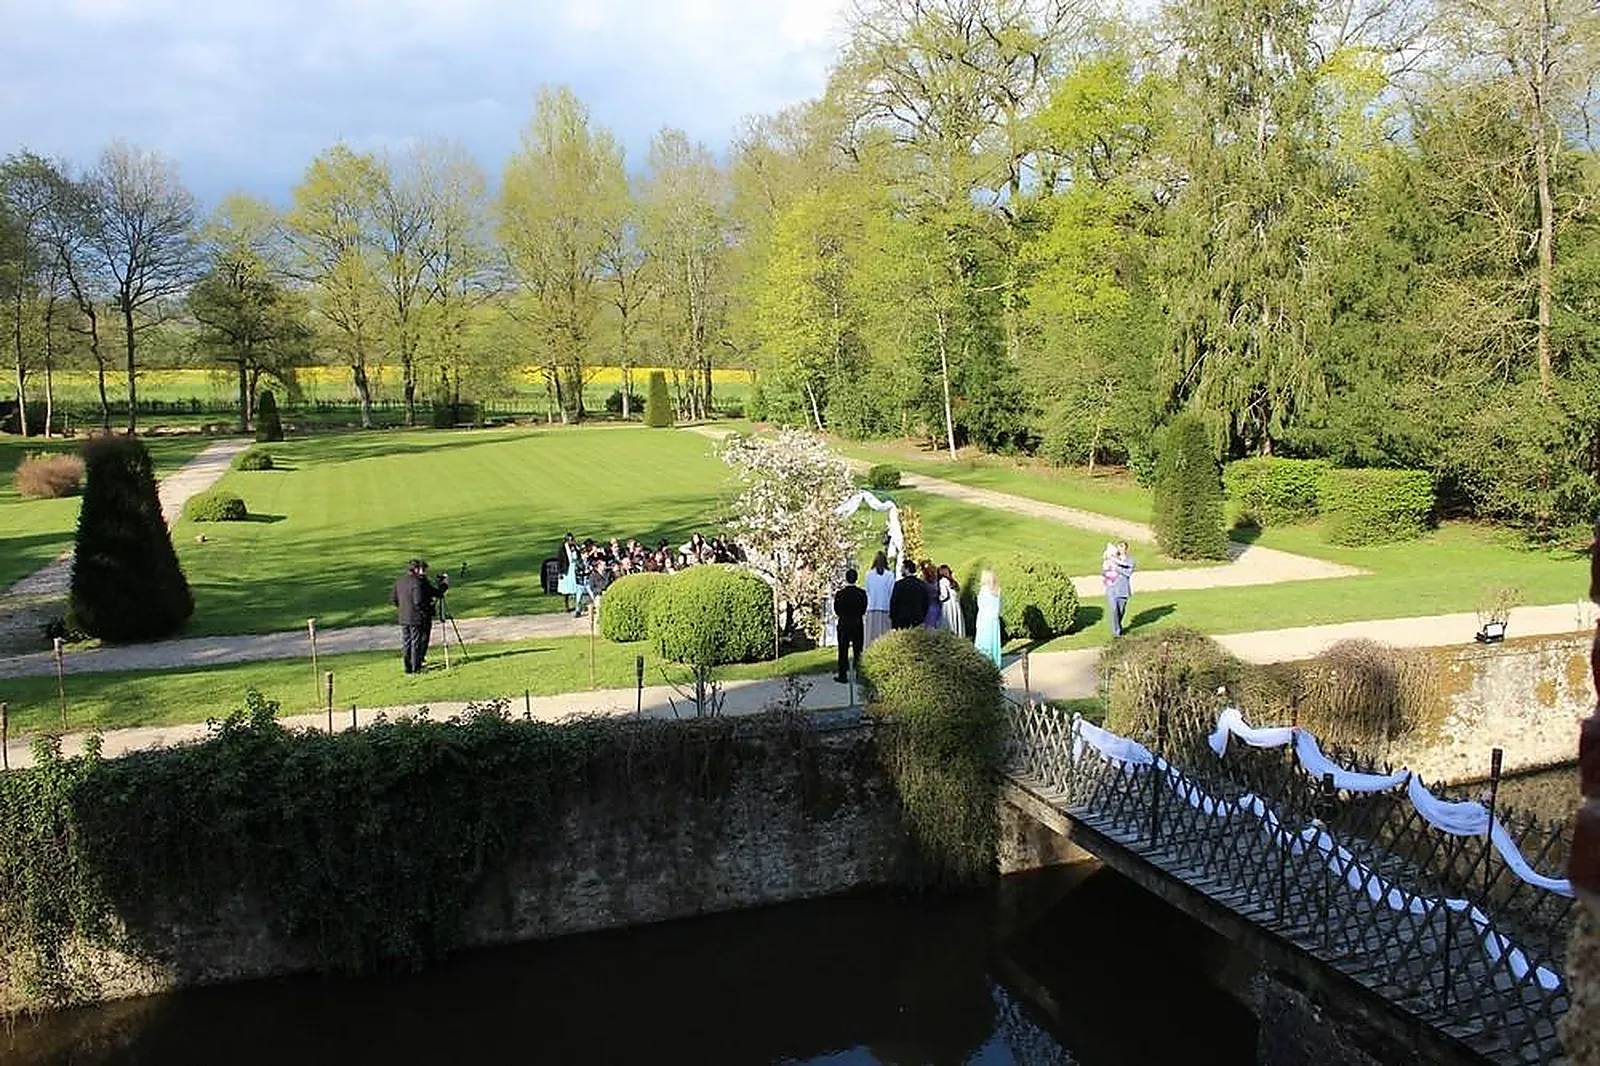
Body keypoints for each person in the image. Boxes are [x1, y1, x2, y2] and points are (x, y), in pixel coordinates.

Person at [391, 558, 446, 674]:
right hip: (416, 617)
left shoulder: (399, 580)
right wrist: (425, 610)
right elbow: (418, 601)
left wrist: (403, 609)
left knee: (406, 642)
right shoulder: (417, 582)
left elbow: (394, 599)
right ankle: (416, 667)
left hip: (403, 616)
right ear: (416, 569)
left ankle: (408, 667)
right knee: (416, 642)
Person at [833, 568, 868, 683]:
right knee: (858, 650)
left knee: (843, 650)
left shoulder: (840, 594)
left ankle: (843, 675)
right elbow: (864, 609)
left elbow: (836, 610)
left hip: (844, 624)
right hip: (857, 623)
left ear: (846, 578)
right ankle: (859, 674)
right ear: (856, 578)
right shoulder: (862, 594)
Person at [863, 551, 895, 646]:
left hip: (872, 607)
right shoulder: (890, 575)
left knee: (871, 637)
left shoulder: (869, 575)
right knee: (884, 636)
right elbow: (891, 592)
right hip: (885, 608)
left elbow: (867, 591)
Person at [889, 557, 929, 631]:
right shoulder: (921, 585)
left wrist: (893, 618)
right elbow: (926, 602)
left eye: (902, 568)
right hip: (917, 619)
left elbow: (894, 603)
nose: (901, 570)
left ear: (907, 569)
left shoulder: (899, 585)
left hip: (901, 620)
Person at [1107, 540, 1136, 638]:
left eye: (1122, 547)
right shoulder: (1112, 559)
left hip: (1123, 590)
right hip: (1112, 589)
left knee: (1120, 611)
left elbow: (1128, 573)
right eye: (1119, 547)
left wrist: (1117, 567)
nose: (1120, 549)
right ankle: (1116, 633)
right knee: (1114, 610)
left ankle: (1118, 626)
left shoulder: (1130, 560)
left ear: (1126, 548)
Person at [974, 568, 1002, 668]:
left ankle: (984, 664)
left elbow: (980, 605)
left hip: (985, 618)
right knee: (994, 641)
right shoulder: (997, 590)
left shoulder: (984, 590)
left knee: (984, 642)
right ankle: (995, 663)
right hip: (994, 619)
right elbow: (999, 605)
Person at [938, 564, 964, 637]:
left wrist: (938, 598)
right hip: (956, 605)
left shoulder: (942, 581)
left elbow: (944, 595)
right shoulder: (954, 581)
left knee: (949, 623)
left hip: (948, 605)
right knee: (956, 622)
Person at [557, 533, 580, 611]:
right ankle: (566, 605)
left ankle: (577, 605)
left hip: (574, 568)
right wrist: (560, 572)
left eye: (572, 540)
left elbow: (579, 555)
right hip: (566, 569)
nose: (571, 542)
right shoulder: (562, 549)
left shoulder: (575, 547)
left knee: (576, 588)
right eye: (569, 540)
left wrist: (576, 546)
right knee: (566, 589)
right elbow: (560, 561)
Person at [921, 561, 944, 630]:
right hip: (936, 605)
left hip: (928, 606)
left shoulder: (924, 583)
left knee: (929, 626)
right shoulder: (936, 582)